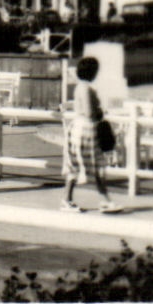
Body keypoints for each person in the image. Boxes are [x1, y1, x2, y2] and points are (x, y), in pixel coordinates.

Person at [62, 56, 121, 213]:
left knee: (76, 165)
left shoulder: (80, 87)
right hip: (87, 129)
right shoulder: (86, 88)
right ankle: (105, 201)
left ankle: (67, 200)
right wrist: (100, 111)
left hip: (79, 129)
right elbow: (89, 112)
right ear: (92, 72)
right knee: (98, 165)